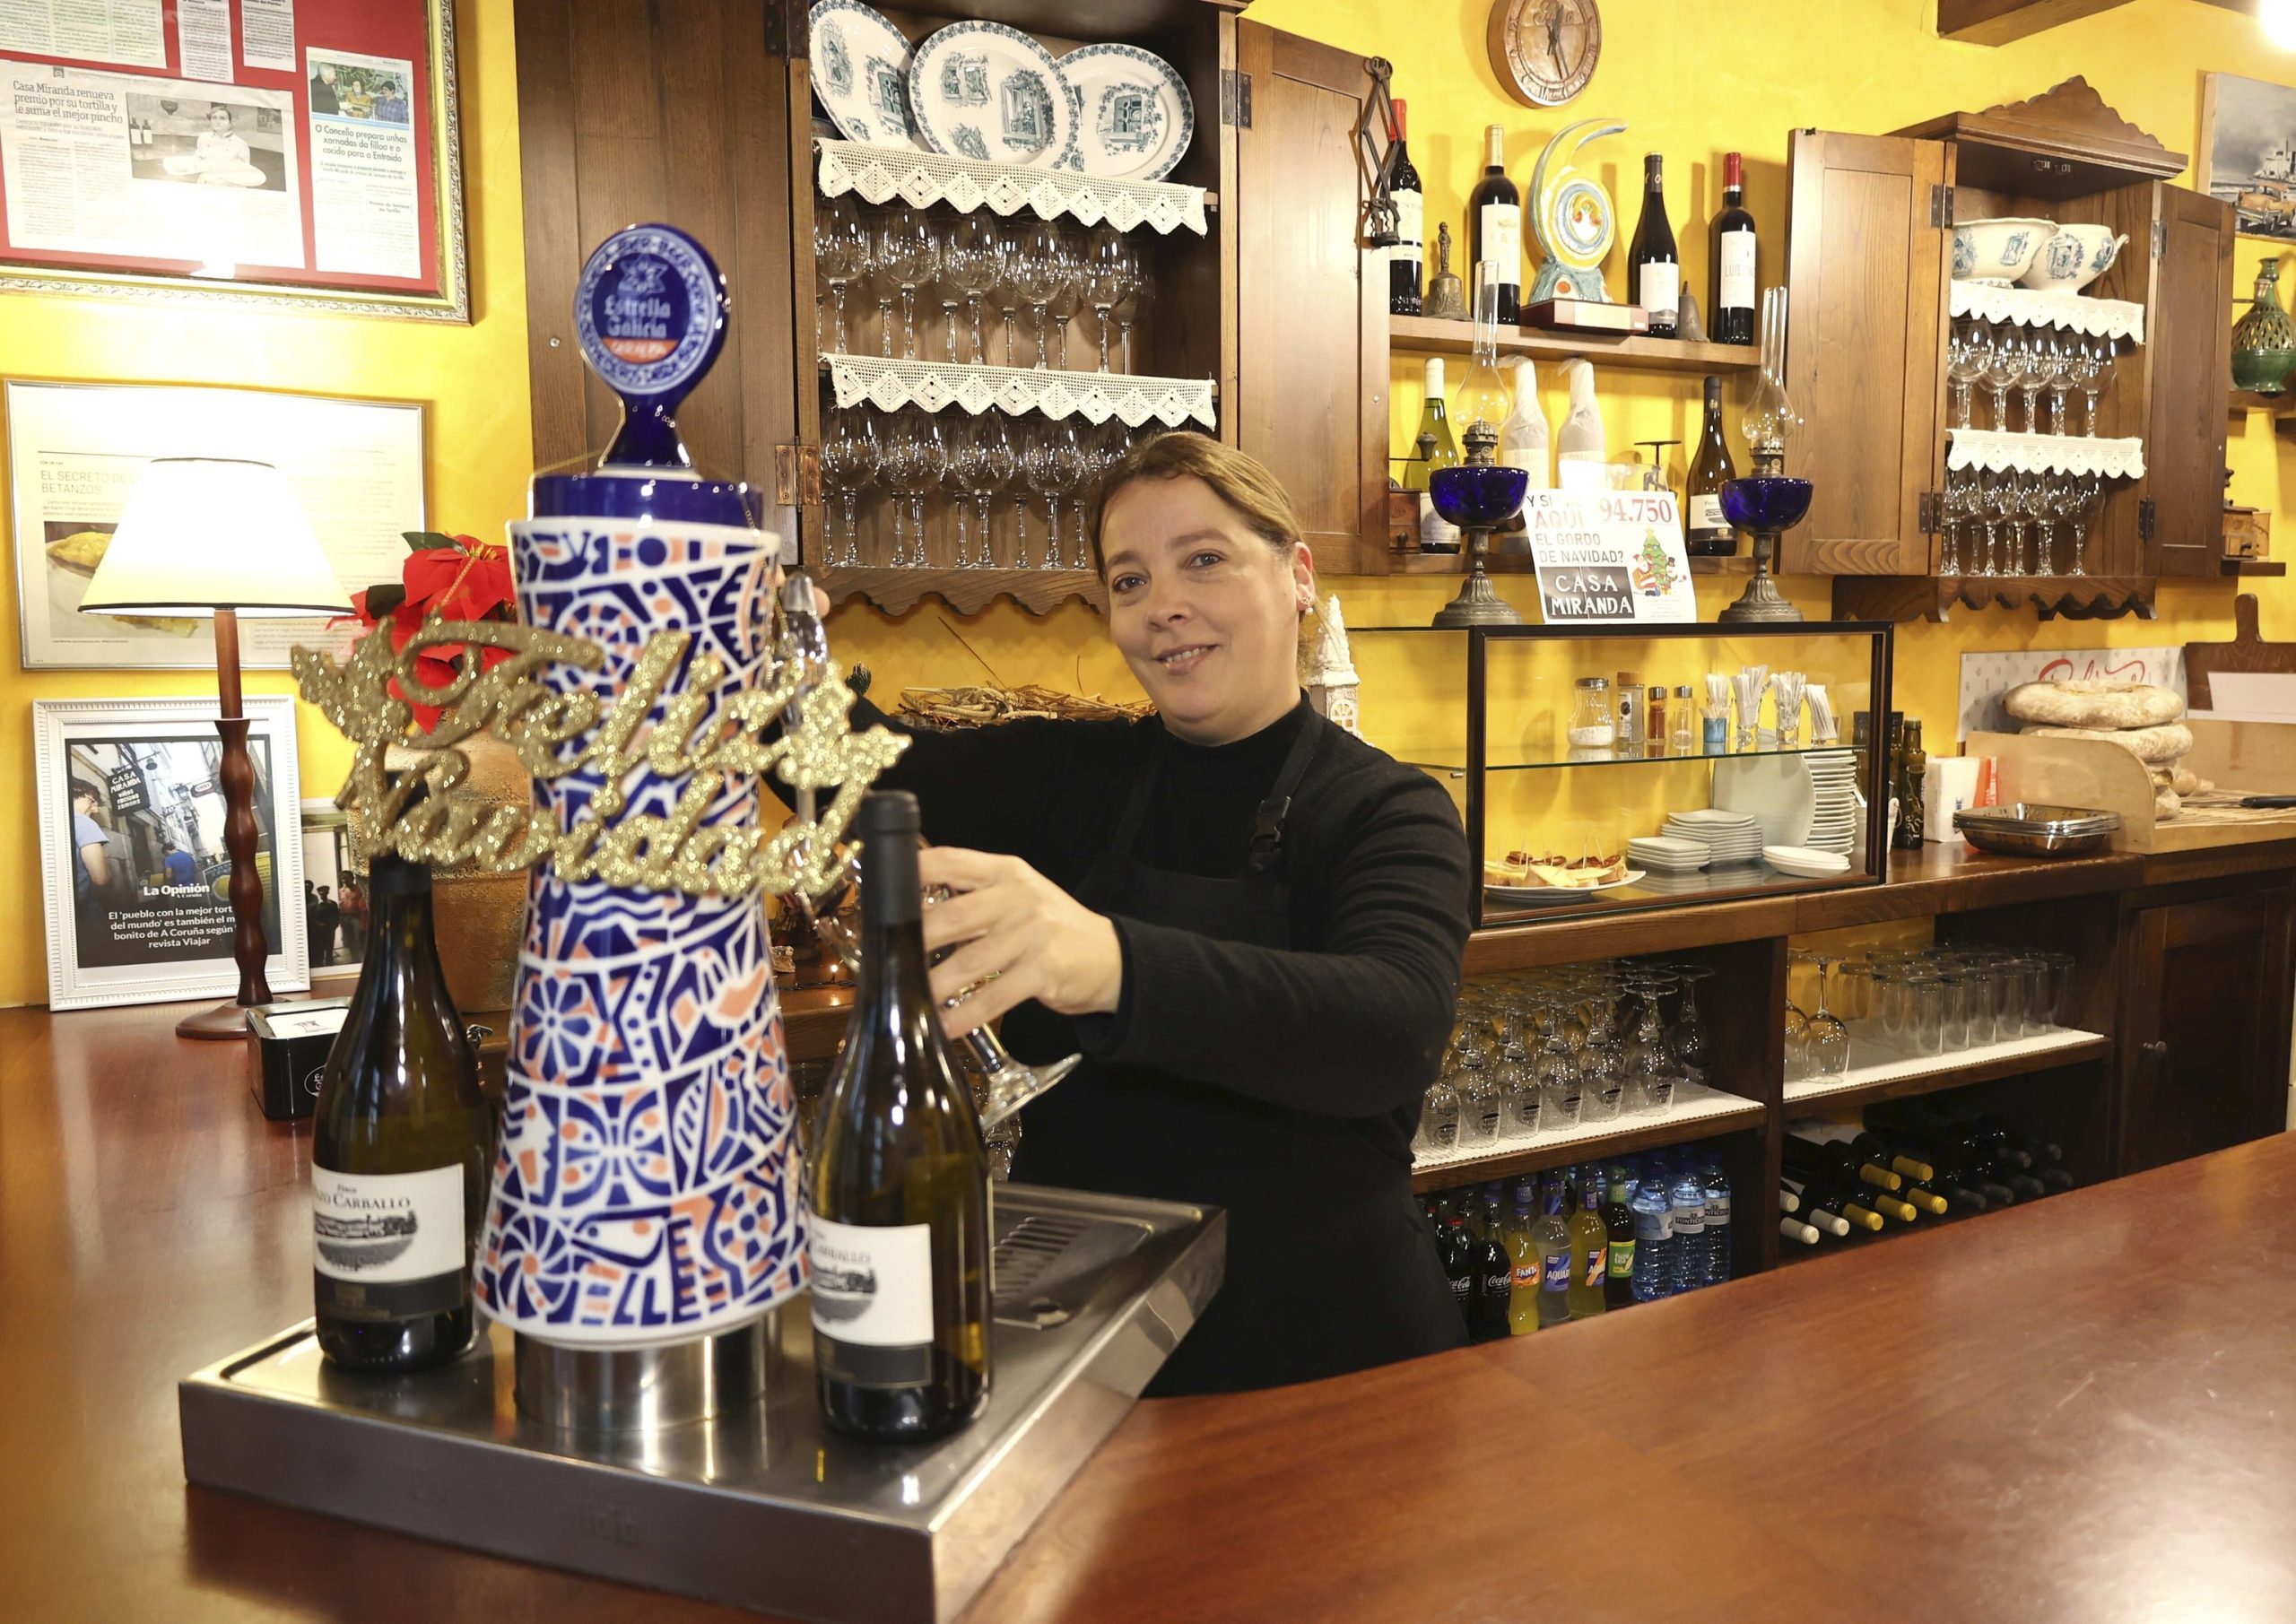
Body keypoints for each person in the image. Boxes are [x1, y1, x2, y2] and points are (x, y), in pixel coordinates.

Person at [826, 432, 1473, 1396]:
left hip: (1329, 1360)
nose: (1162, 604)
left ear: (1298, 575)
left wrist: (1110, 962)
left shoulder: (1388, 807)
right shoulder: (1075, 778)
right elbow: (838, 760)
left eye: (1202, 559)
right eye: (1127, 581)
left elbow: (1391, 1024)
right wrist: (711, 614)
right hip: (1094, 1347)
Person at [311, 885, 340, 967]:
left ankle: (329, 964)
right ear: (319, 893)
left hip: (330, 929)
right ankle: (320, 965)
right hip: (319, 931)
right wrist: (318, 924)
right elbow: (312, 918)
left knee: (329, 948)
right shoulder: (315, 906)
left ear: (328, 892)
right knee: (320, 948)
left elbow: (337, 915)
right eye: (321, 892)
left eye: (325, 891)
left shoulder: (333, 904)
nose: (323, 893)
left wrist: (335, 925)